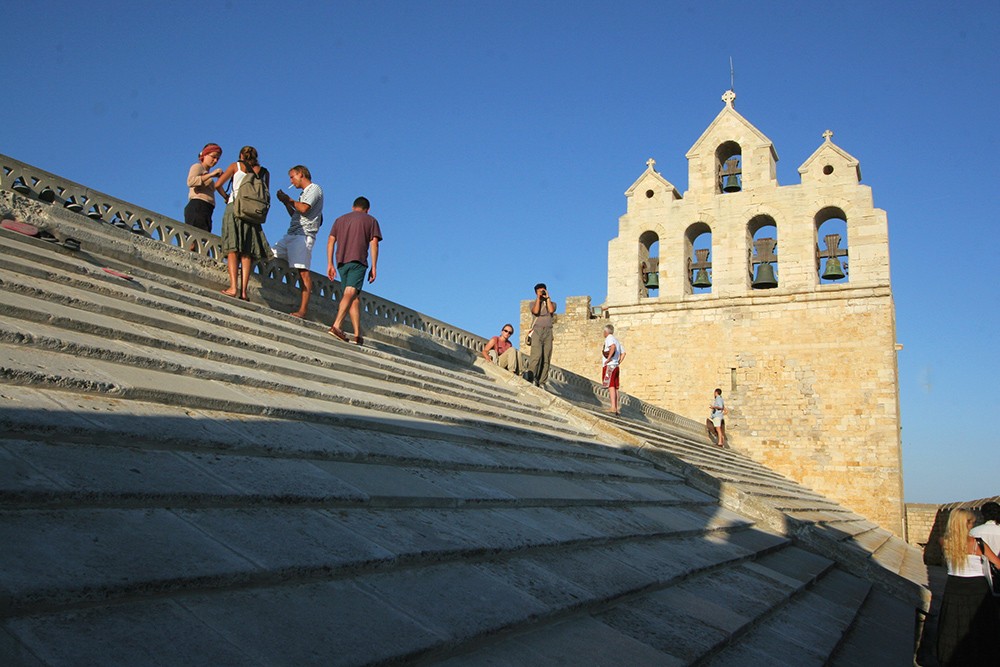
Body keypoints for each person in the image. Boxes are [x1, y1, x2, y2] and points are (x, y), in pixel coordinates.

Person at [936, 508, 1000, 665]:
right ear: (967, 524)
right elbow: (997, 564)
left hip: (954, 587)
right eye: (971, 522)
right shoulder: (977, 543)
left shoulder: (943, 541)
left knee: (954, 625)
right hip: (977, 588)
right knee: (979, 625)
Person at [215, 146, 271, 301]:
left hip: (235, 208)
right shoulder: (264, 172)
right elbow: (265, 194)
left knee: (233, 249)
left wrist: (227, 196)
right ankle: (244, 292)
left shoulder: (236, 166)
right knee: (247, 253)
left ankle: (233, 287)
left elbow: (217, 185)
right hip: (253, 213)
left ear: (241, 155)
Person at [327, 196, 382, 346]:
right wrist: (374, 266)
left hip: (341, 262)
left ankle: (358, 335)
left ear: (353, 207)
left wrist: (330, 263)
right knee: (350, 293)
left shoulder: (340, 220)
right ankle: (337, 325)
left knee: (353, 297)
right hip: (358, 261)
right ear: (368, 209)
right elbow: (374, 244)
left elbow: (331, 240)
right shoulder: (371, 221)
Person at [273, 165, 323, 318]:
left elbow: (304, 209)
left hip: (303, 236)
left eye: (292, 176)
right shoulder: (303, 194)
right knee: (271, 254)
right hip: (292, 234)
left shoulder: (314, 189)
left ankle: (303, 310)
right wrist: (286, 202)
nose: (291, 180)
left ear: (301, 174)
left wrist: (289, 199)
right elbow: (296, 214)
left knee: (303, 272)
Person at [184, 143, 223, 244]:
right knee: (195, 241)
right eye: (213, 157)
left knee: (204, 241)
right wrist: (211, 174)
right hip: (198, 206)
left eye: (217, 158)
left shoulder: (208, 173)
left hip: (207, 209)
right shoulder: (198, 167)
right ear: (205, 154)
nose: (215, 161)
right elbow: (191, 181)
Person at [525, 283, 556, 386]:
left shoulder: (552, 303)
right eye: (540, 291)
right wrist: (538, 298)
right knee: (536, 355)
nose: (542, 293)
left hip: (548, 331)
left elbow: (551, 310)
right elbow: (536, 311)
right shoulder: (532, 304)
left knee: (546, 357)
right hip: (537, 331)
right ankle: (531, 376)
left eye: (543, 291)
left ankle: (542, 381)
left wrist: (547, 298)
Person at [602, 324, 624, 415]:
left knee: (611, 386)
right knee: (615, 387)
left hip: (610, 365)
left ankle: (613, 407)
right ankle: (617, 408)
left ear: (606, 332)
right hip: (616, 366)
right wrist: (618, 362)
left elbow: (613, 347)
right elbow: (624, 353)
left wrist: (609, 358)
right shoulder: (617, 340)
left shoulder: (609, 338)